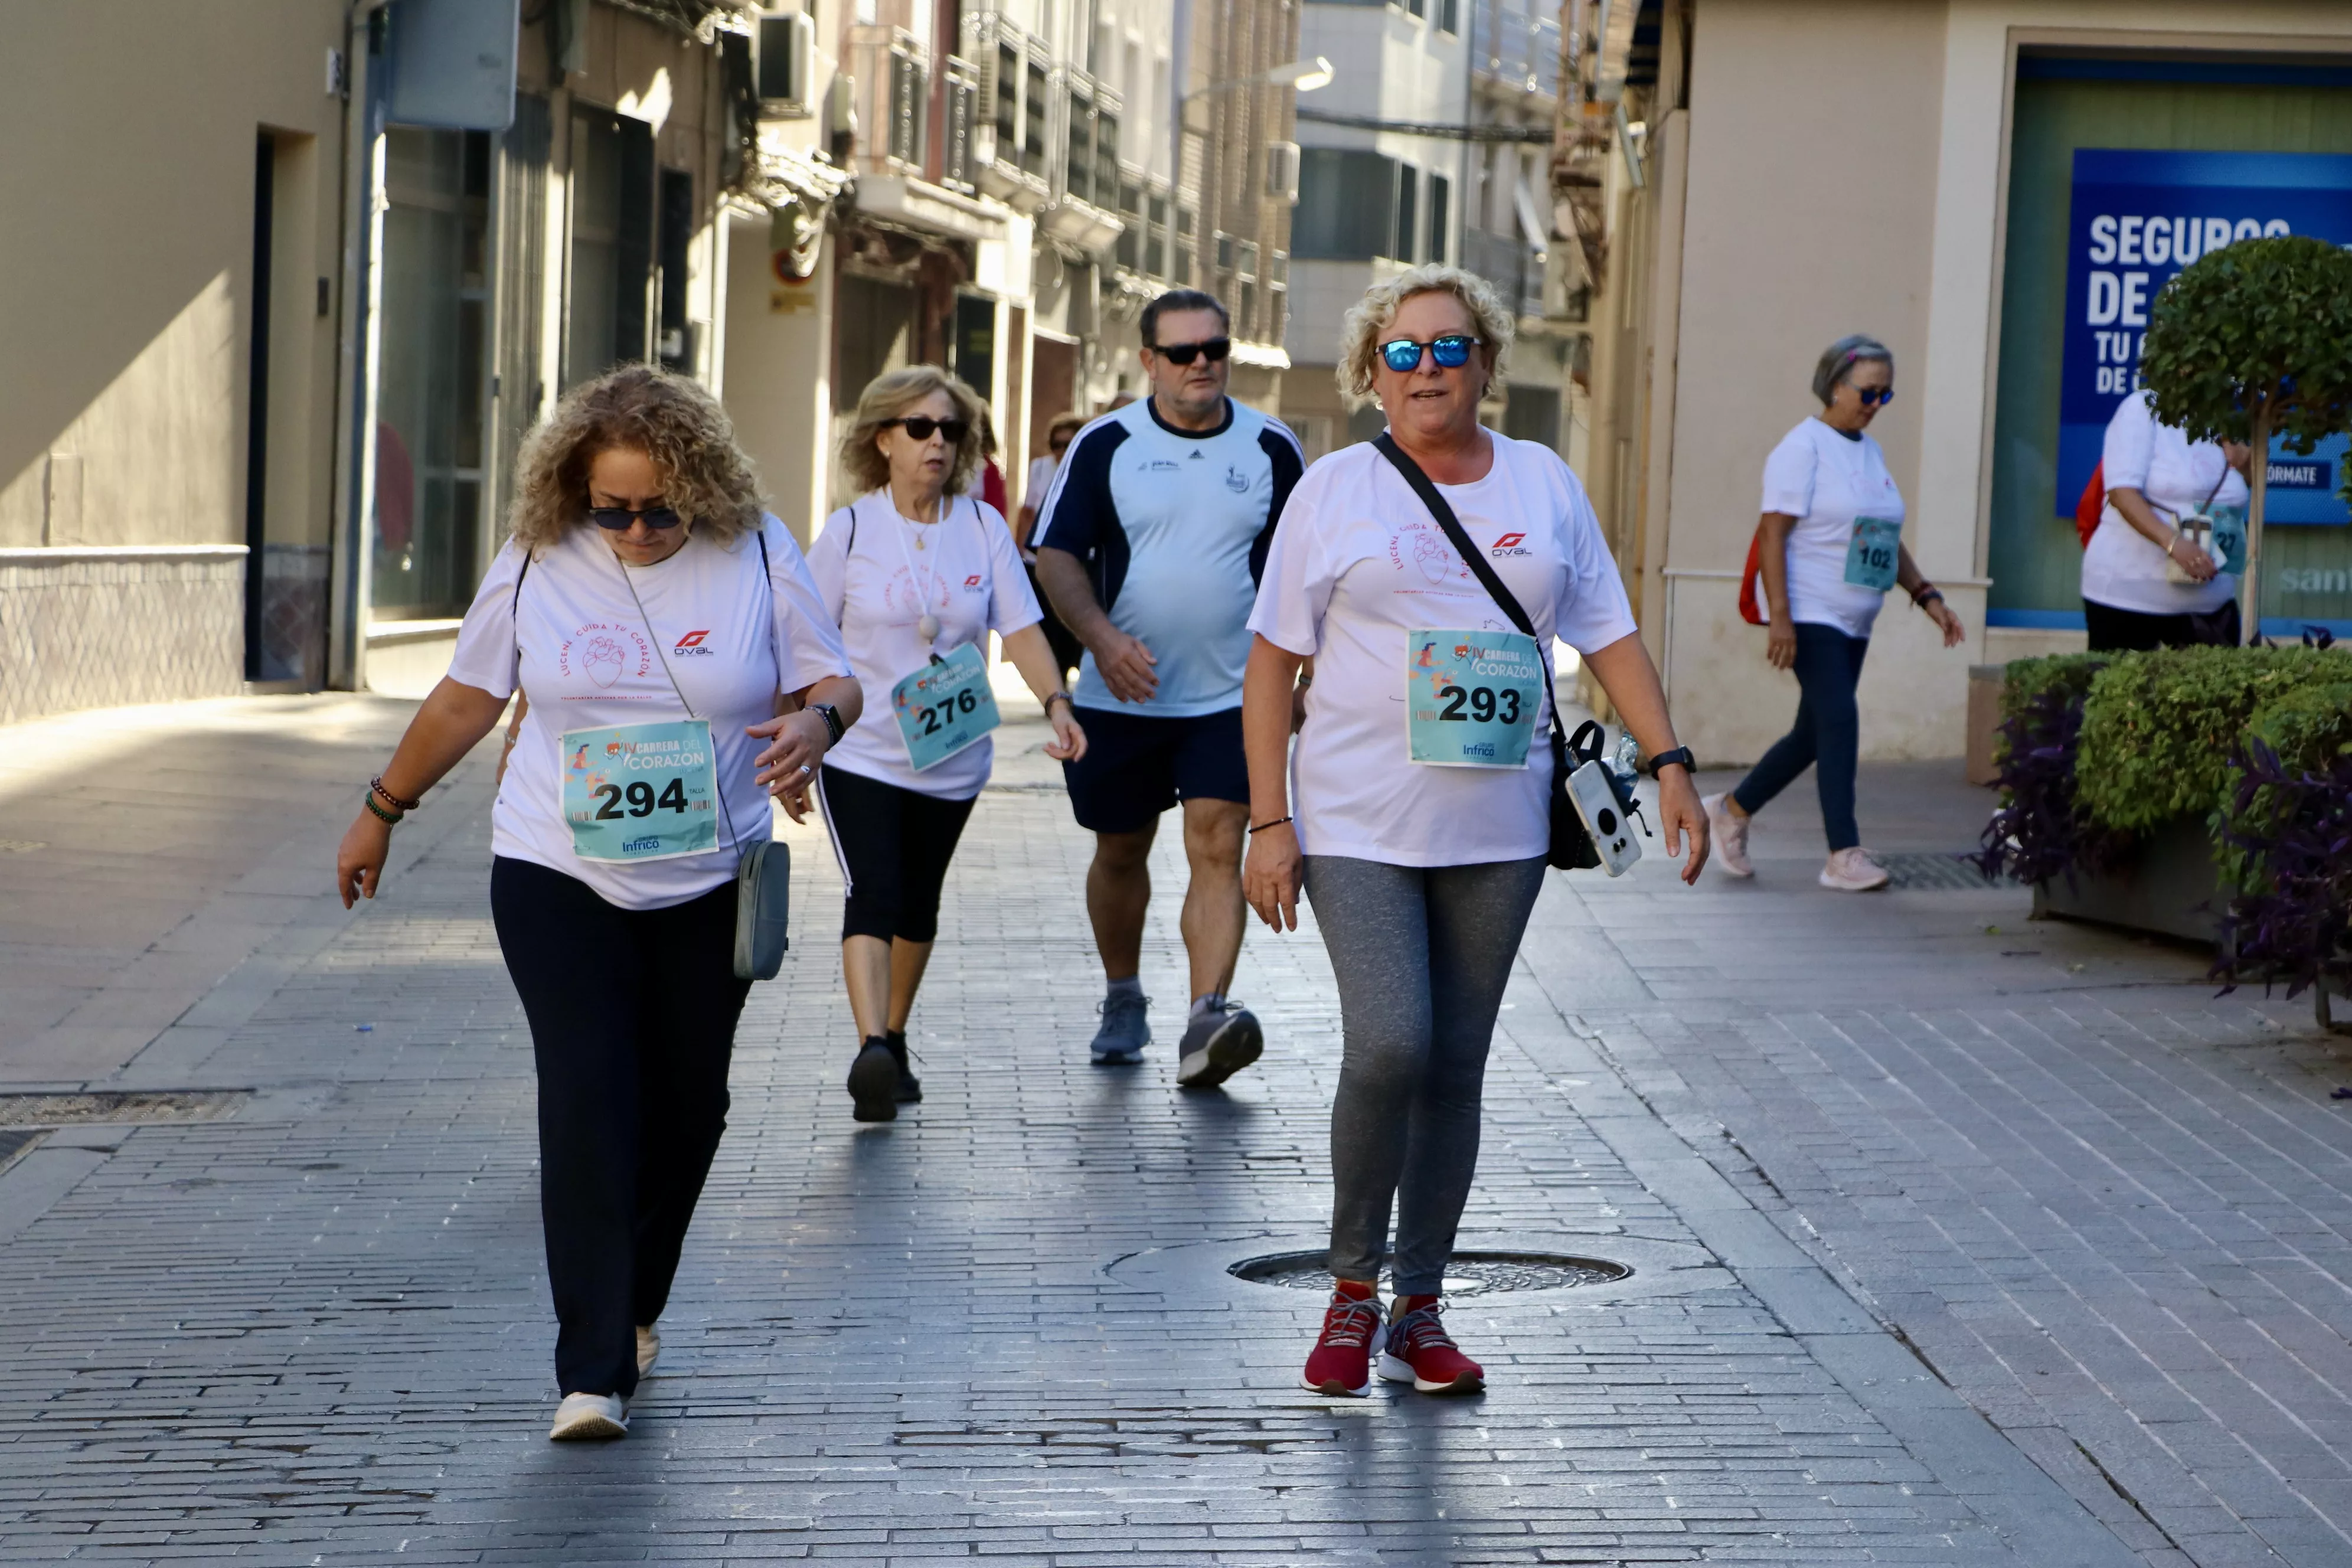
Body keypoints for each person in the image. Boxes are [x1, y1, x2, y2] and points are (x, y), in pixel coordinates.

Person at [332, 365, 861, 1442]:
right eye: (611, 509)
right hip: (555, 868)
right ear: (575, 490)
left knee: (689, 1109)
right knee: (587, 1094)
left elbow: (833, 681)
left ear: (701, 485)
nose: (635, 529)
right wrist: (382, 808)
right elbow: (468, 695)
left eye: (659, 509)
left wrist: (814, 728)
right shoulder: (539, 555)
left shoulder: (759, 549)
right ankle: (591, 1369)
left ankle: (636, 1299)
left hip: (708, 878)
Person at [1239, 264, 1708, 1397]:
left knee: (1453, 1064)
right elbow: (1268, 666)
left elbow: (1607, 634)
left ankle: (1418, 1307)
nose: (1425, 369)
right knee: (1389, 1042)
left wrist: (1669, 763)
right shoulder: (1334, 490)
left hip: (1498, 829)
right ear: (1370, 374)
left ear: (1485, 365)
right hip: (1355, 818)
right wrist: (1268, 821)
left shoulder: (1543, 483)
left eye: (1448, 348)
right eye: (1401, 352)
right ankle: (1350, 1290)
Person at [798, 367, 1087, 1122]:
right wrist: (793, 739)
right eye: (920, 428)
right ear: (883, 439)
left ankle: (893, 1035)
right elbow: (800, 638)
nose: (938, 443)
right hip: (860, 750)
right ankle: (872, 1047)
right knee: (874, 888)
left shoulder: (982, 527)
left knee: (918, 899)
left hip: (951, 755)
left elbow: (1020, 628)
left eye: (952, 430)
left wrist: (1057, 702)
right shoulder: (850, 530)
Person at [1033, 289, 1303, 1086]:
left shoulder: (1272, 447)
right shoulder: (1105, 444)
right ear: (1149, 360)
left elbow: (1309, 572)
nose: (1200, 365)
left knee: (1217, 842)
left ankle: (1205, 1019)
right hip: (1121, 698)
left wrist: (1307, 677)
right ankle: (1123, 994)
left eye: (1214, 350)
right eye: (1182, 352)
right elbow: (1056, 556)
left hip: (1234, 697)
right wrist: (1102, 640)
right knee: (1120, 850)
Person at [1703, 335, 1965, 893]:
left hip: (1856, 619)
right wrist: (1781, 617)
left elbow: (1884, 538)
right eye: (1868, 392)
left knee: (1813, 732)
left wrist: (1928, 596)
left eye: (1886, 395)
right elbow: (1773, 534)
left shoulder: (1869, 452)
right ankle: (1842, 854)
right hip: (1810, 610)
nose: (1876, 405)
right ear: (1835, 386)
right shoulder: (1802, 448)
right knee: (1840, 719)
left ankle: (1730, 810)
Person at [2080, 387, 2252, 651]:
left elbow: (2246, 488)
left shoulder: (2229, 417)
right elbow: (2121, 493)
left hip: (2213, 602)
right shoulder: (2143, 407)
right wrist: (2173, 543)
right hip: (2130, 598)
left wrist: (2246, 462)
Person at [1018, 413, 1089, 678]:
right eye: (1056, 444)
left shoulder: (1088, 467)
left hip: (1076, 557)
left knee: (1071, 619)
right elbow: (1027, 511)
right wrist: (1019, 550)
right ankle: (1055, 677)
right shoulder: (1040, 467)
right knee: (1046, 619)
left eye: (1068, 444)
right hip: (1039, 555)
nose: (1061, 450)